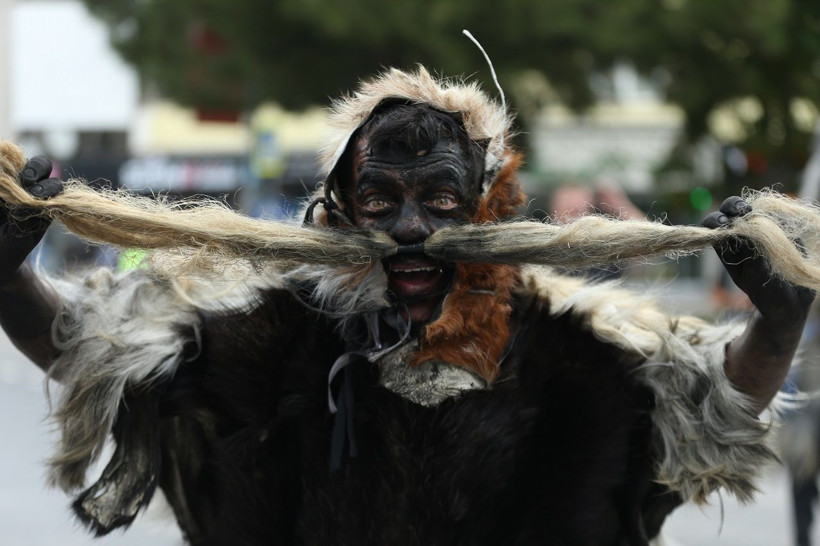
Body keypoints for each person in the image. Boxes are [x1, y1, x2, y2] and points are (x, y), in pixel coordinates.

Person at [0, 67, 814, 545]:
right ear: (340, 215)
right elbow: (98, 355)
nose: (414, 231)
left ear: (488, 210)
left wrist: (777, 323)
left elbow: (714, 407)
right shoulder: (272, 335)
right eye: (382, 200)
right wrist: (8, 279)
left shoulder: (576, 346)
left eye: (441, 200)